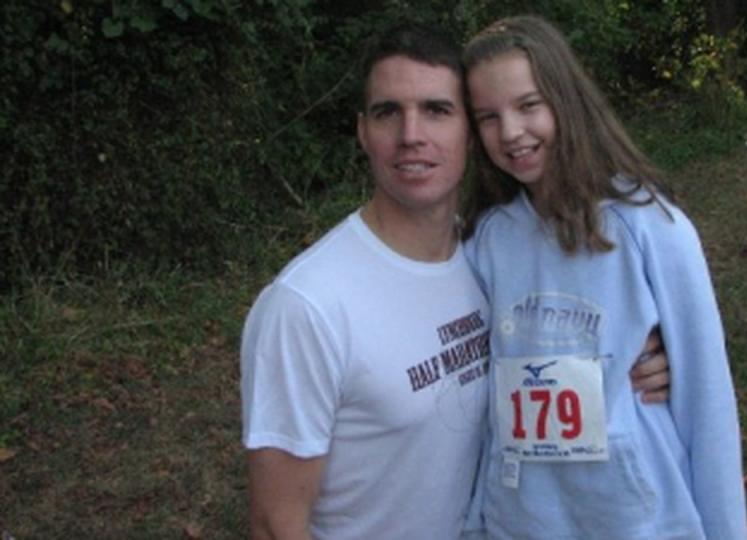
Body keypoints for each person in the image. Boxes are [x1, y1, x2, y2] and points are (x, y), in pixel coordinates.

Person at [240, 24, 671, 540]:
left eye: (437, 110)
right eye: (387, 112)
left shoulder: (486, 260)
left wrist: (642, 358)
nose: (411, 135)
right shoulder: (305, 307)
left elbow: (546, 356)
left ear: (471, 130)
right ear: (362, 131)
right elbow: (274, 524)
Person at [461, 15, 747, 539]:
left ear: (566, 99)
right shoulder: (486, 241)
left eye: (529, 105)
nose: (511, 132)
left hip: (637, 520)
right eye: (487, 116)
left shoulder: (650, 227)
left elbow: (707, 396)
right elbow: (478, 405)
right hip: (521, 521)